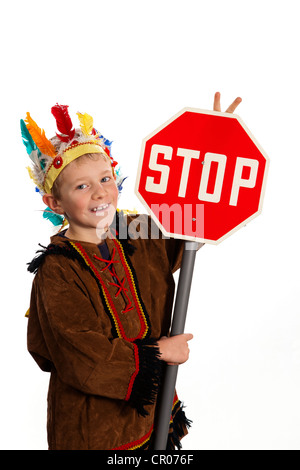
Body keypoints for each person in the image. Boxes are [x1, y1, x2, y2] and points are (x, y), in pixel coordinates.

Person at [23, 93, 241, 450]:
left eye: (106, 179)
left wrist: (213, 148)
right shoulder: (57, 271)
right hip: (94, 429)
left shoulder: (136, 230)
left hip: (153, 414)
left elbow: (195, 223)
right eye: (82, 186)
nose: (100, 193)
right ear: (54, 203)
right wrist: (159, 353)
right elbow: (80, 354)